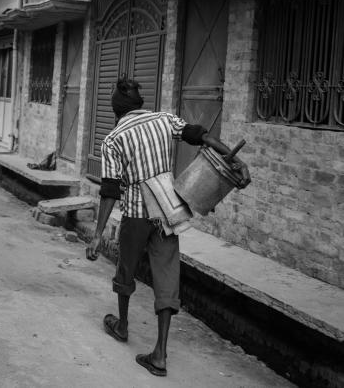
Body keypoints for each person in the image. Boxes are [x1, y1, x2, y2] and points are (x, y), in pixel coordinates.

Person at [86, 79, 249, 377]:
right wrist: (234, 159)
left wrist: (98, 234)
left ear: (116, 108)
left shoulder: (113, 139)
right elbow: (199, 135)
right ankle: (160, 353)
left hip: (136, 214)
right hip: (167, 211)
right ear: (138, 103)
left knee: (126, 268)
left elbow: (110, 189)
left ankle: (122, 326)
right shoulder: (163, 119)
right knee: (167, 276)